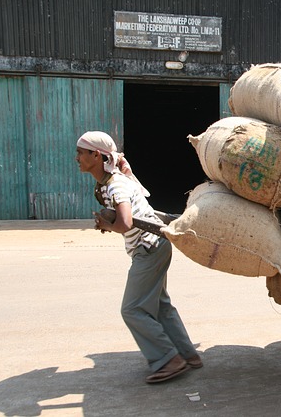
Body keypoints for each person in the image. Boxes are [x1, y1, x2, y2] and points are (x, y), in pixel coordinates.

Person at [75, 130, 201, 384]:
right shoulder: (113, 180)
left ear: (96, 156)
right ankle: (187, 354)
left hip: (148, 249)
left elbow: (125, 221)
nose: (76, 158)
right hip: (155, 246)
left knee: (132, 309)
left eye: (80, 153)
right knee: (159, 305)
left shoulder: (115, 184)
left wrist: (107, 224)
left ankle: (168, 359)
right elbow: (139, 199)